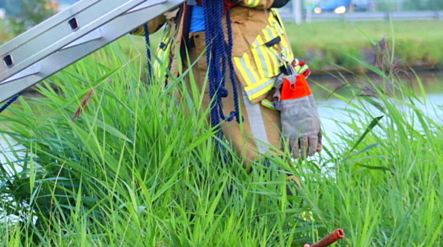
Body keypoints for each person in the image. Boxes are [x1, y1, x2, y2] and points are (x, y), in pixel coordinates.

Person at [136, 0, 322, 165]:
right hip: (184, 61)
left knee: (263, 160)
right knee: (195, 163)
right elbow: (145, 21)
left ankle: (280, 202)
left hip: (243, 61)